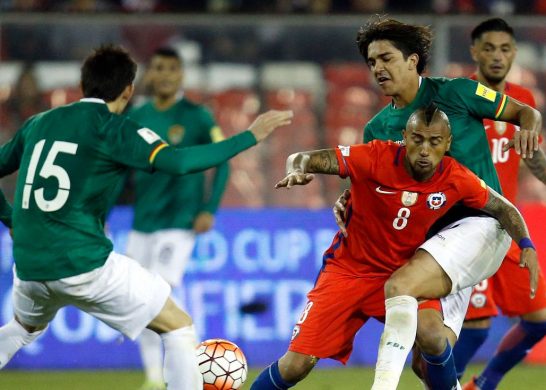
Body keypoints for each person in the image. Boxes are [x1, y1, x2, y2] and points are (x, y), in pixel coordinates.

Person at [0, 45, 292, 390]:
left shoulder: (39, 123)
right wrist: (249, 136)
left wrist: (11, 219)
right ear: (128, 89)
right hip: (81, 263)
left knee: (20, 329)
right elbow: (180, 163)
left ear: (84, 83)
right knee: (179, 325)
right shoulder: (115, 128)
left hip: (31, 266)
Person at [249, 104, 537, 390]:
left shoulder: (454, 176)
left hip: (403, 275)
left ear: (447, 143)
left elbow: (503, 208)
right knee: (296, 365)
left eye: (434, 142)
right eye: (417, 139)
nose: (424, 150)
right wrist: (296, 169)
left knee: (434, 337)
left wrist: (526, 245)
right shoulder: (375, 156)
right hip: (348, 272)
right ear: (405, 137)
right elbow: (303, 158)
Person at [331, 17, 541, 389]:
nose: (378, 68)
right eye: (371, 62)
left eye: (386, 58)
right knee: (429, 347)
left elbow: (526, 112)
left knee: (400, 287)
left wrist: (528, 129)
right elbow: (370, 190)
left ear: (413, 61)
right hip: (432, 242)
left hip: (483, 222)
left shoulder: (459, 92)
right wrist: (346, 200)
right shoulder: (377, 129)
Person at [124, 47, 230, 390]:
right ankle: (154, 377)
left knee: (160, 286)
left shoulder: (198, 115)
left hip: (180, 221)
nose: (166, 74)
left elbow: (224, 161)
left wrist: (208, 208)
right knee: (139, 296)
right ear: (150, 75)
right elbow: (118, 166)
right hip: (143, 221)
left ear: (182, 74)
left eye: (172, 68)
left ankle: (190, 345)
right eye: (159, 68)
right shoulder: (137, 116)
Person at [452, 18, 546, 390]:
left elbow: (532, 157)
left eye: (505, 49)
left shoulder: (523, 101)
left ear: (514, 53)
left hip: (506, 227)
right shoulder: (459, 96)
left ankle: (484, 383)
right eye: (488, 48)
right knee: (475, 328)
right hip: (466, 223)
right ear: (474, 52)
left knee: (539, 318)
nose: (497, 56)